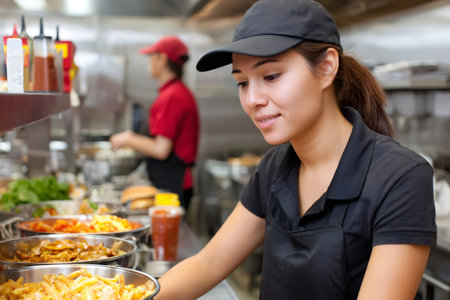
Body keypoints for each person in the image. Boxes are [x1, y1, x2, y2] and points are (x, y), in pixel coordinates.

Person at [155, 0, 436, 299]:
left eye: (271, 76)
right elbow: (207, 264)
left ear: (327, 68)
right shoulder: (275, 167)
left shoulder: (400, 178)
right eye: (242, 82)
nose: (252, 99)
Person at [110, 36, 199, 210]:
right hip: (175, 180)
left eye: (151, 56)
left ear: (162, 59)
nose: (148, 62)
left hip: (173, 184)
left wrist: (128, 139)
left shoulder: (172, 96)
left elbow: (161, 149)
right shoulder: (178, 92)